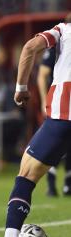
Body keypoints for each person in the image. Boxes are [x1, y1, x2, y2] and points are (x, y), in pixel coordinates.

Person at [4, 22, 71, 237]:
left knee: (26, 177)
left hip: (63, 115)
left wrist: (21, 89)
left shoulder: (63, 30)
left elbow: (29, 48)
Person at [37, 47, 71, 197]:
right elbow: (42, 75)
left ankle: (68, 184)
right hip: (58, 103)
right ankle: (51, 184)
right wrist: (44, 100)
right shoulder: (57, 47)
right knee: (55, 144)